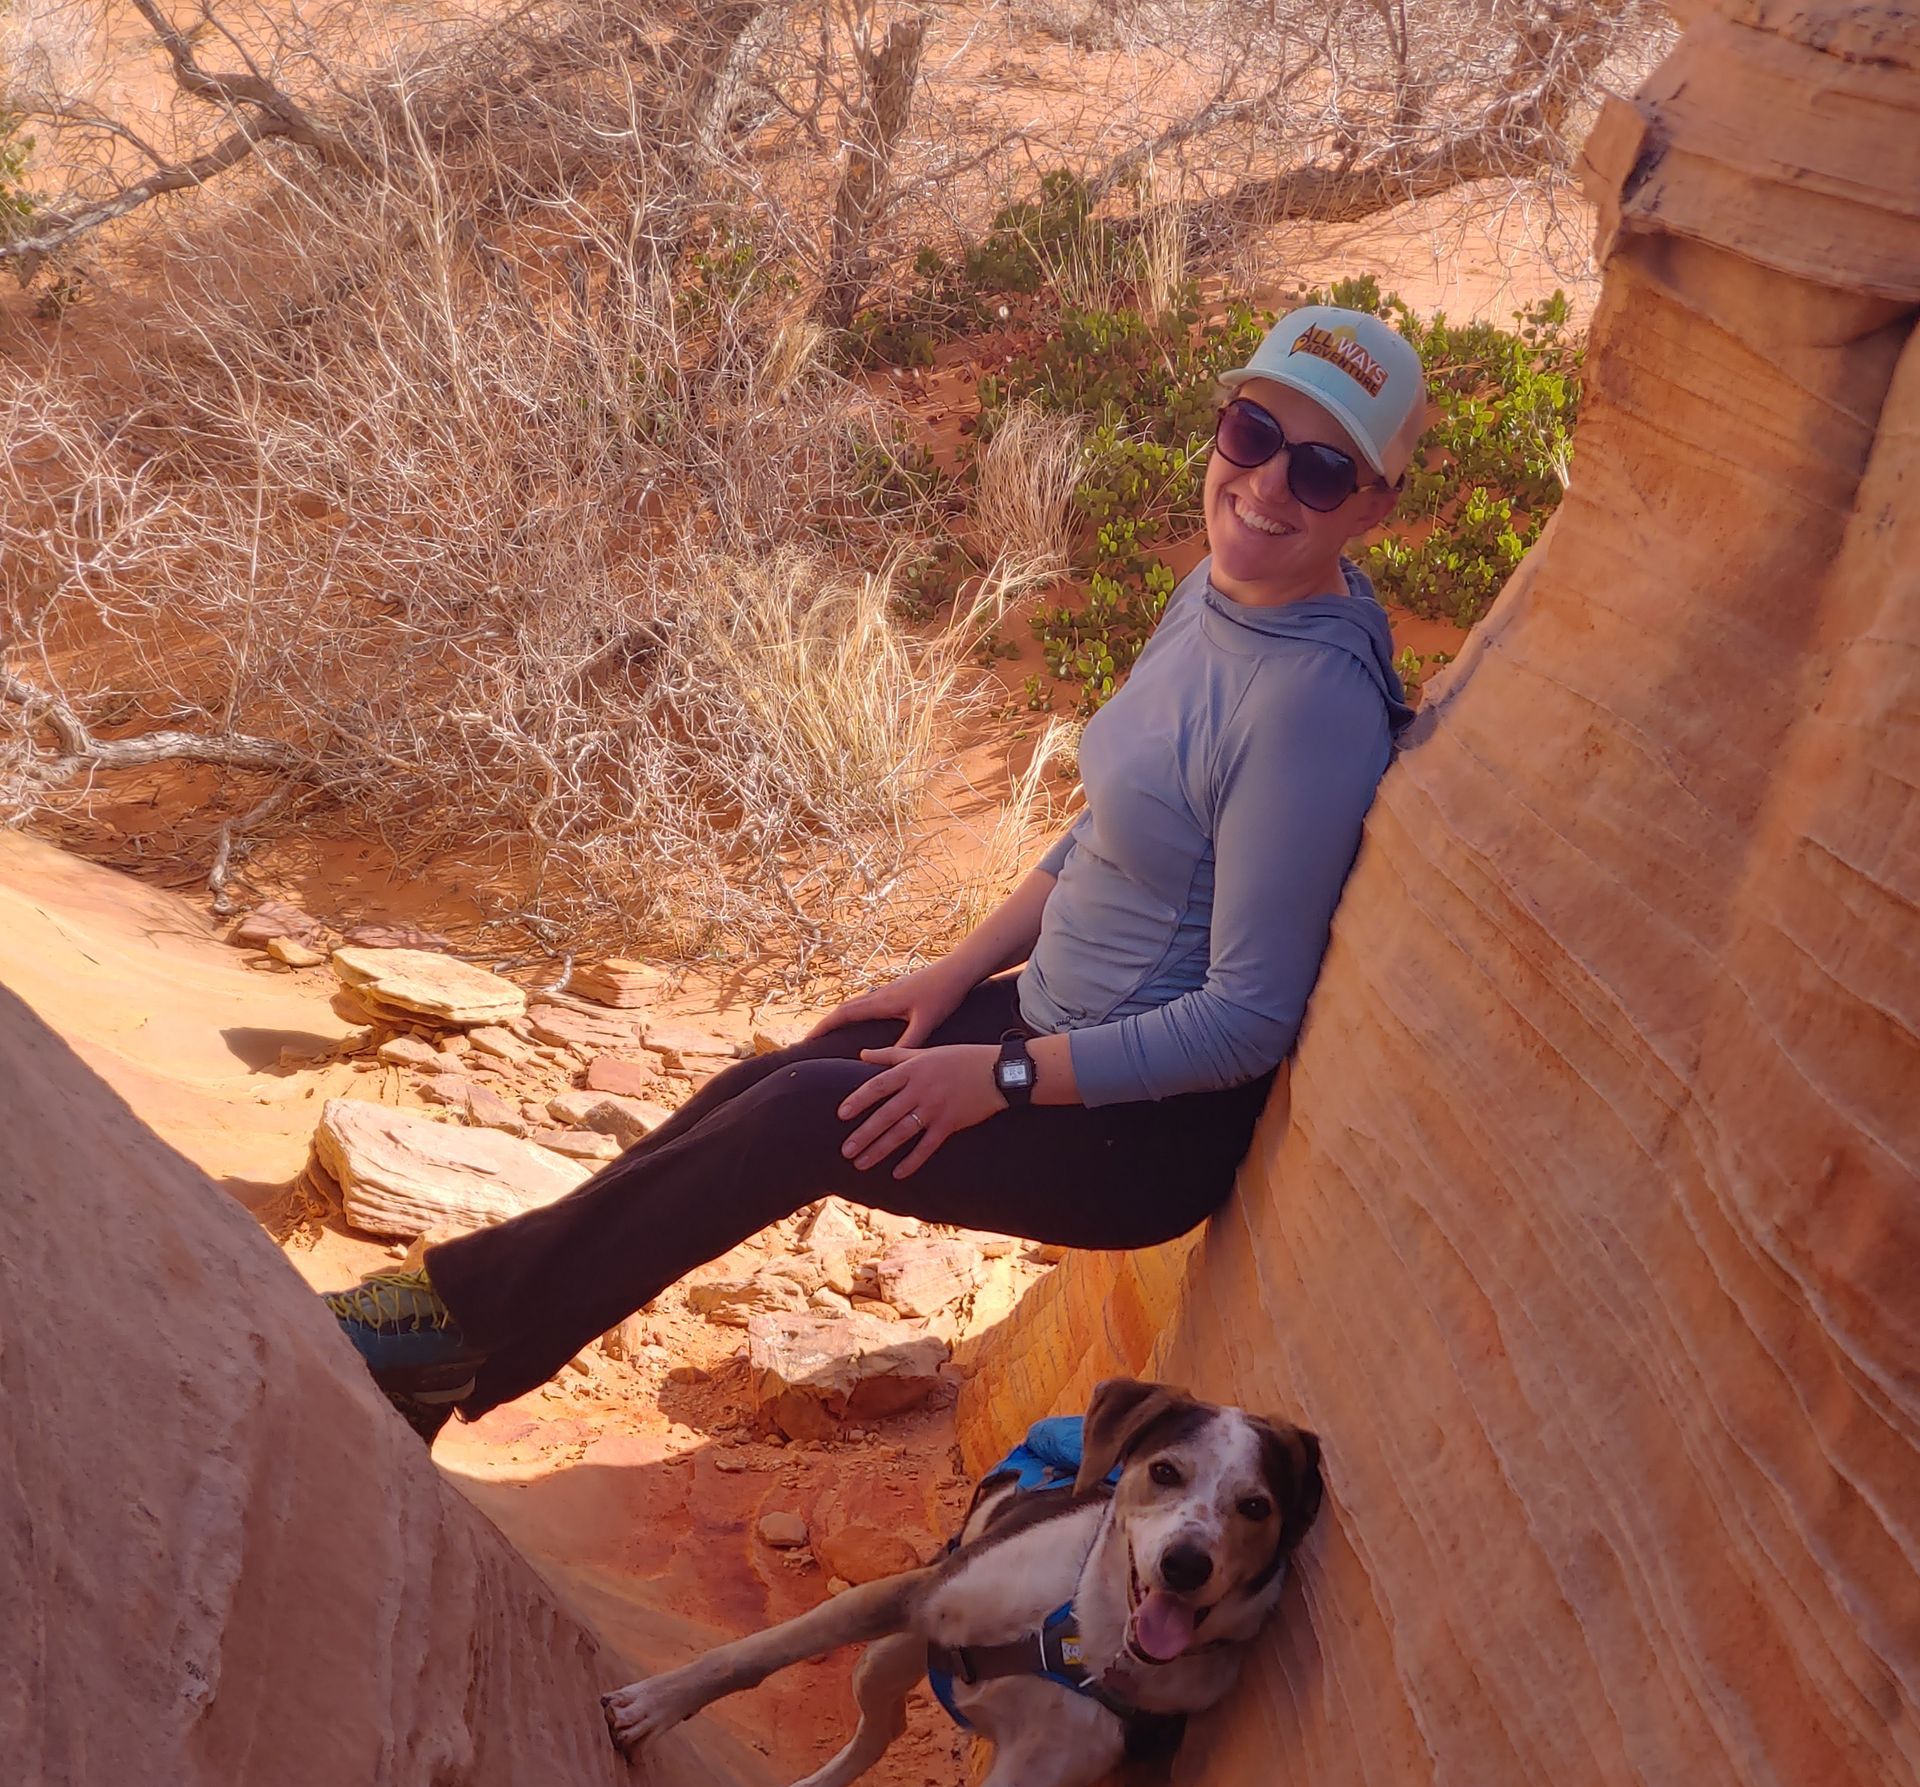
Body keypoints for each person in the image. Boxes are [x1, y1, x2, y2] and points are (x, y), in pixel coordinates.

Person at [323, 305, 1425, 1439]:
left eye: (1324, 467)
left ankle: (422, 1334)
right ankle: (447, 1345)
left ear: (1375, 503)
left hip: (1138, 1132)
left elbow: (1246, 1021)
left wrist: (995, 1077)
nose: (1268, 484)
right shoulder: (1217, 589)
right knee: (769, 1082)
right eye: (1251, 432)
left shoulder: (1310, 707)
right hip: (1041, 1027)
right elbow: (1108, 828)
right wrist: (951, 980)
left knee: (805, 1118)